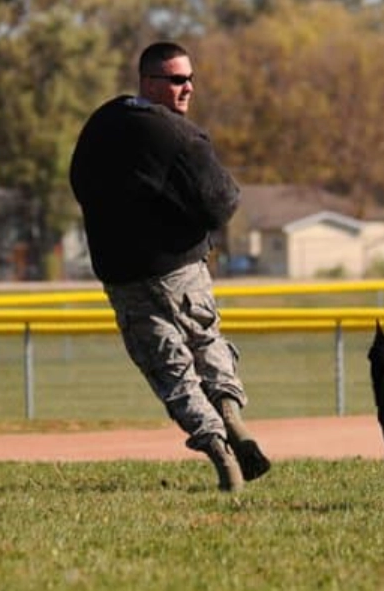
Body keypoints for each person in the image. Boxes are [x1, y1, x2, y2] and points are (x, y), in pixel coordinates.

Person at [68, 41, 270, 492]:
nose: (188, 88)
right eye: (178, 80)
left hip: (123, 274)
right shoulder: (180, 136)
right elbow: (222, 203)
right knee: (206, 341)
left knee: (170, 369)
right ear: (150, 82)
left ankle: (221, 454)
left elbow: (80, 183)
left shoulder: (102, 123)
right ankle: (231, 416)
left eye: (191, 79)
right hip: (181, 270)